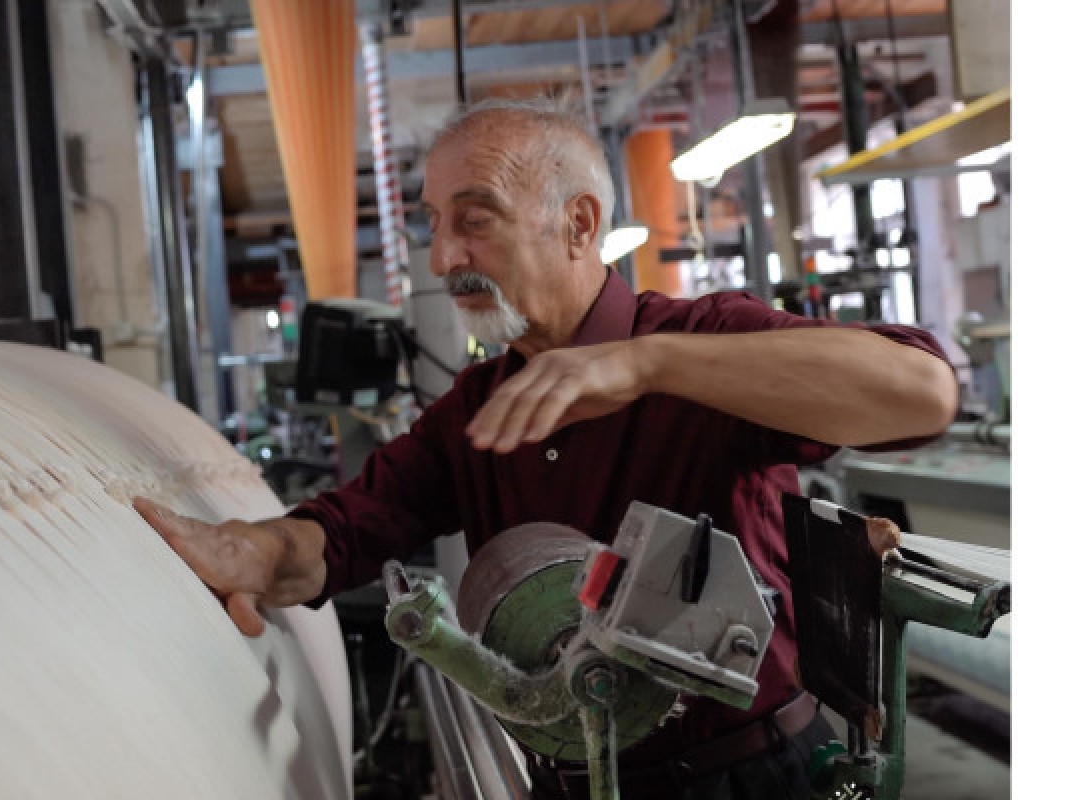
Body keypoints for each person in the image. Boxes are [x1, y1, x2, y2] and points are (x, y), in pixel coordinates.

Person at [134, 96, 957, 800]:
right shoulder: (479, 410)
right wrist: (256, 550)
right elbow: (346, 530)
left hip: (745, 777)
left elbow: (922, 392)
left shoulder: (698, 344)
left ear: (578, 224)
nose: (443, 257)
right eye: (436, 224)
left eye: (475, 220)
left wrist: (647, 366)